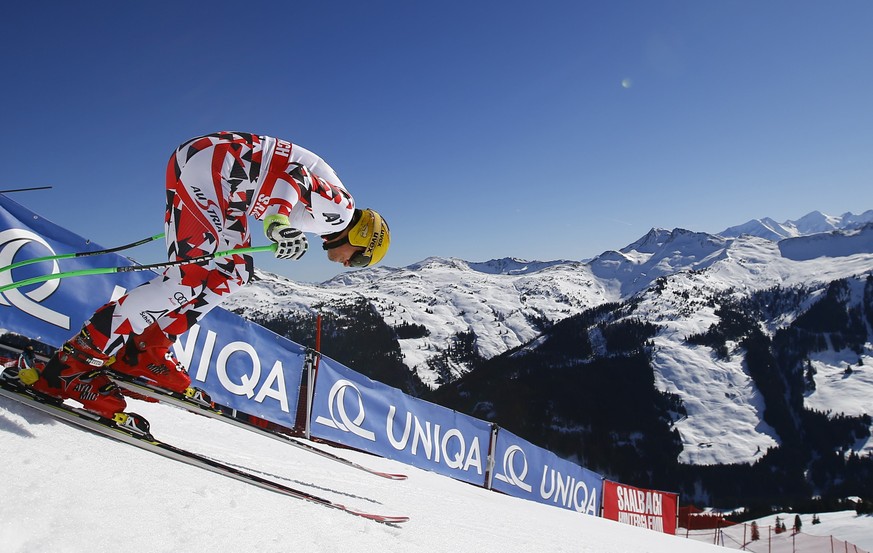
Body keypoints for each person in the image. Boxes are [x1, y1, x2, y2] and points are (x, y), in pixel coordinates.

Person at [19, 131, 390, 420]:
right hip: (213, 171)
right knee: (187, 279)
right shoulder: (341, 211)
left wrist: (277, 218)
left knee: (232, 272)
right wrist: (277, 221)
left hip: (221, 177)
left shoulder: (331, 211)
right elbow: (294, 176)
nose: (347, 265)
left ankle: (148, 349)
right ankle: (73, 367)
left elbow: (286, 177)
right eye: (359, 261)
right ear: (361, 239)